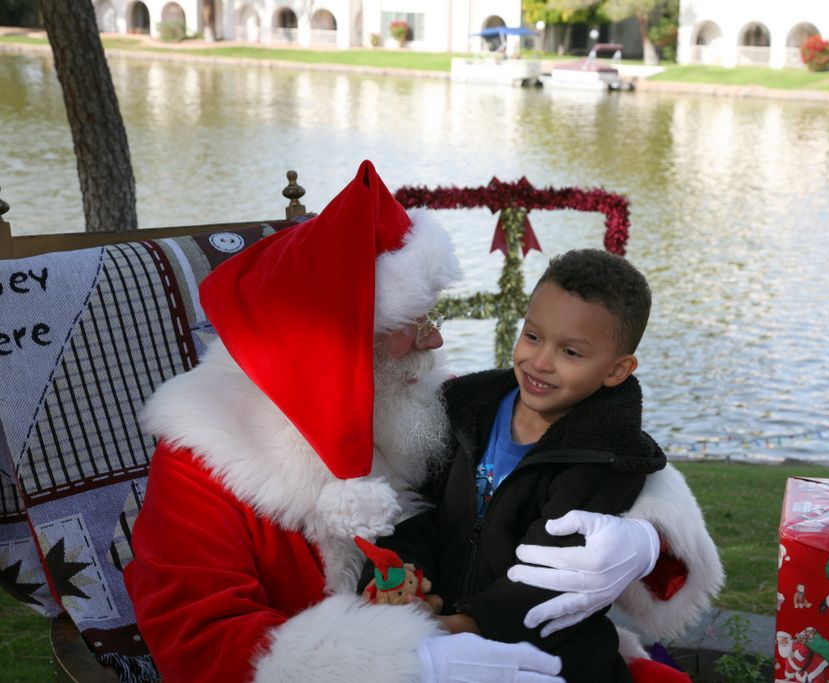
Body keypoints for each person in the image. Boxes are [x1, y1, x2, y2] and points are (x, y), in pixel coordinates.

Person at [124, 160, 722, 682]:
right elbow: (195, 641)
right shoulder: (202, 459)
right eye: (417, 321)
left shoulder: (428, 402)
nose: (436, 338)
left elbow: (579, 449)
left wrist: (647, 539)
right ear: (348, 344)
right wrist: (395, 664)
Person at [360, 249, 696, 683]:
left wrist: (461, 627)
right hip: (438, 633)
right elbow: (421, 510)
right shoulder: (464, 411)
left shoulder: (604, 458)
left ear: (617, 370)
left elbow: (554, 580)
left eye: (571, 352)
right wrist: (404, 575)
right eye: (533, 336)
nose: (540, 362)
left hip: (548, 658)